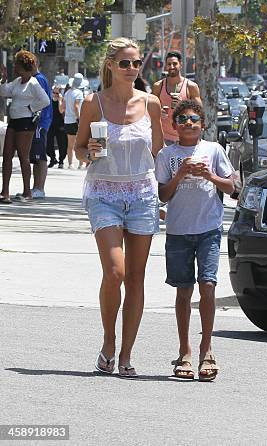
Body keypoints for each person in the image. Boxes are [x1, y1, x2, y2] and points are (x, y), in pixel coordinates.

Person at [74, 37, 163, 378]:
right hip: (103, 193)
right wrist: (90, 151)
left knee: (137, 278)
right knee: (116, 272)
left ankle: (126, 354)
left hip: (141, 193)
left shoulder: (151, 103)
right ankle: (109, 340)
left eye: (136, 63)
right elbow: (81, 149)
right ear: (110, 65)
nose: (132, 69)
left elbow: (158, 152)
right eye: (125, 63)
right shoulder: (93, 103)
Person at [155, 99, 234, 381]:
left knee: (208, 286)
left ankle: (206, 349)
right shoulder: (167, 154)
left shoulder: (213, 150)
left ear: (203, 124)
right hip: (178, 230)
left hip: (209, 228)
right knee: (183, 290)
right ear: (174, 125)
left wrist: (209, 175)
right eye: (183, 119)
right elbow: (163, 195)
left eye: (194, 119)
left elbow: (231, 186)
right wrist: (180, 174)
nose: (189, 123)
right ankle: (185, 351)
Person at [0, 50, 50, 203]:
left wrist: (30, 108)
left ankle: (27, 192)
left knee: (23, 157)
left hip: (26, 123)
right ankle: (5, 192)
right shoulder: (17, 81)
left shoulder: (33, 82)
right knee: (7, 155)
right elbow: (3, 92)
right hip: (14, 122)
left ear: (24, 66)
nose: (14, 66)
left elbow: (45, 100)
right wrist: (3, 79)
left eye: (17, 64)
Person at [152, 51, 202, 145]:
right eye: (169, 64)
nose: (171, 67)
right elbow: (149, 110)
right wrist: (159, 112)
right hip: (163, 137)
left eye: (174, 64)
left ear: (180, 64)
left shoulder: (191, 86)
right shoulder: (158, 86)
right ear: (165, 66)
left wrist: (182, 104)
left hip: (185, 137)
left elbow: (199, 112)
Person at [29, 61, 53, 199]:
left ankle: (40, 187)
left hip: (40, 122)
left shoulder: (38, 79)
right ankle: (35, 187)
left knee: (40, 156)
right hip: (38, 122)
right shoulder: (39, 79)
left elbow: (43, 101)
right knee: (35, 157)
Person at [64, 73, 84, 169]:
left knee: (70, 144)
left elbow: (62, 108)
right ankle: (80, 164)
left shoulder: (67, 93)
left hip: (67, 120)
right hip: (75, 120)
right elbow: (76, 106)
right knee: (80, 143)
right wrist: (79, 118)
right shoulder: (79, 93)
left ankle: (70, 163)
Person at [47, 85, 68, 169]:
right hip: (50, 124)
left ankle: (61, 161)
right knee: (48, 143)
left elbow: (61, 110)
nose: (55, 94)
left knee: (62, 143)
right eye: (54, 92)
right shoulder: (49, 100)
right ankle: (52, 159)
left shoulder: (62, 100)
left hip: (60, 124)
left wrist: (59, 100)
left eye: (57, 93)